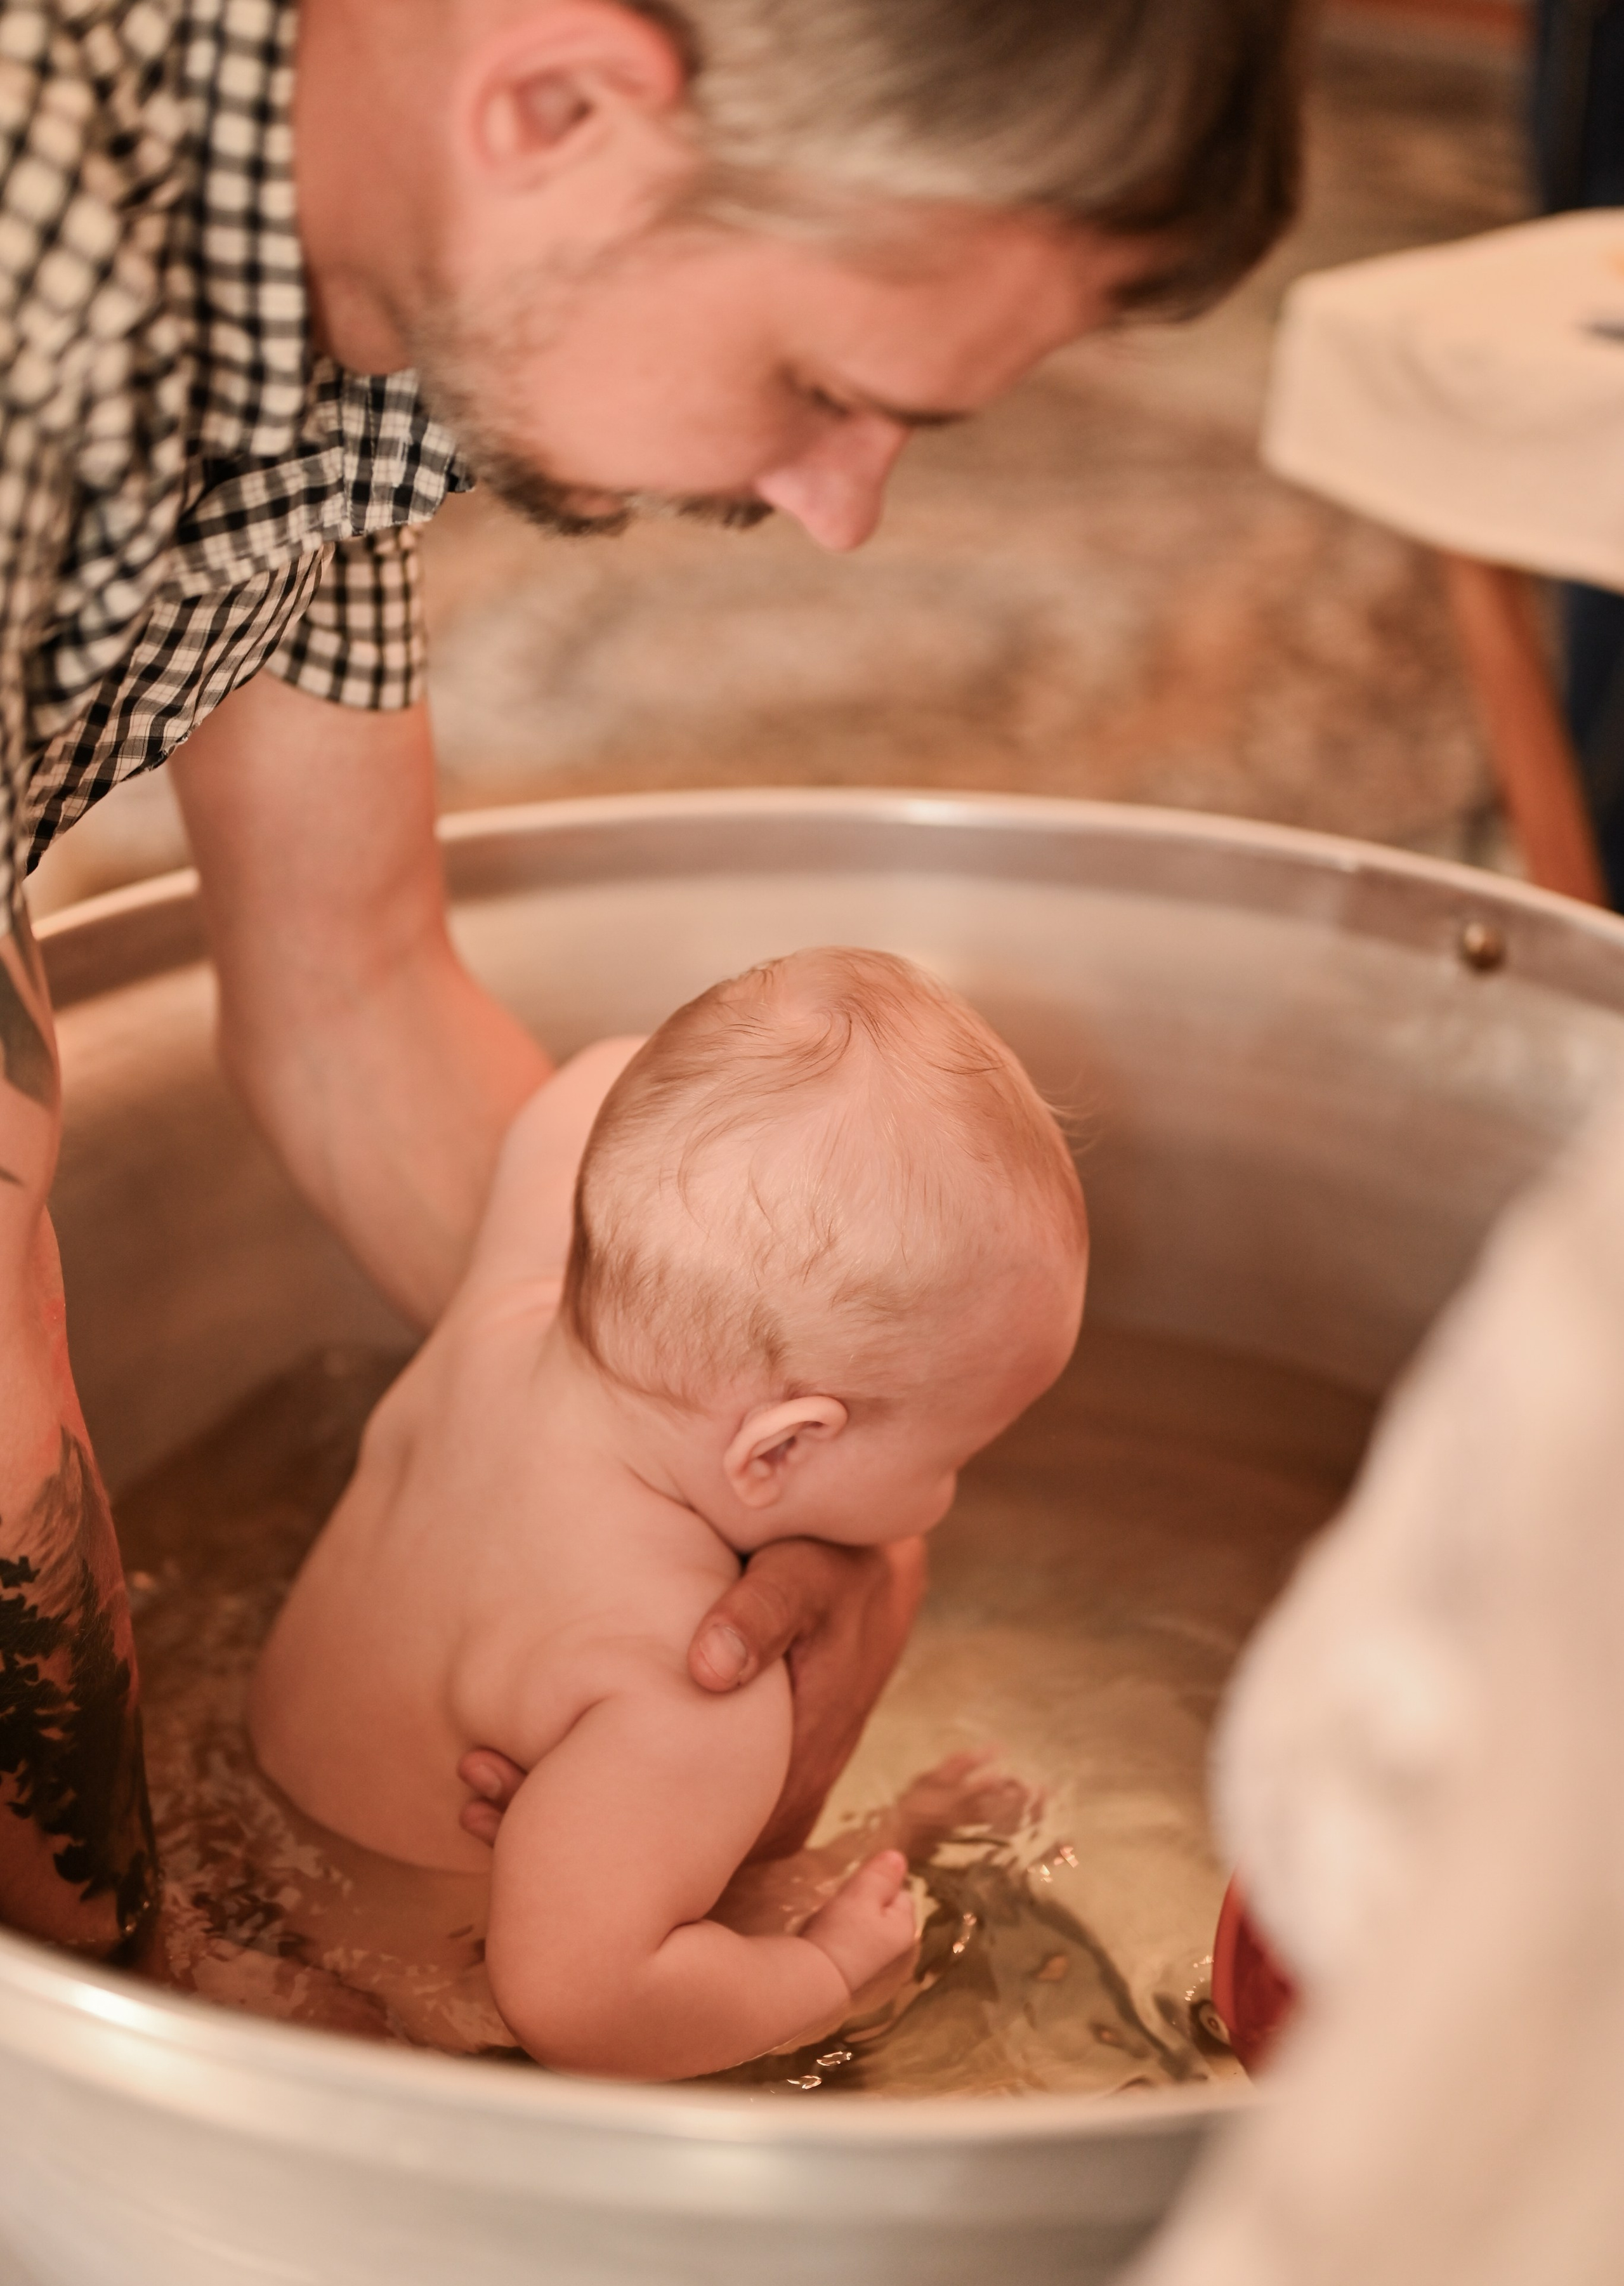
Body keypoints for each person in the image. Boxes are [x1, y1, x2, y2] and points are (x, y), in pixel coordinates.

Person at [0, 0, 1301, 1961]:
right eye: (818, 384)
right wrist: (174, 1989)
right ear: (565, 102)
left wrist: (750, 1498)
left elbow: (351, 984)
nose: (843, 505)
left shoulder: (353, 304)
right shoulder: (39, 291)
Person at [246, 950, 1088, 2077]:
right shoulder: (683, 1681)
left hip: (249, 1839)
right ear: (782, 1448)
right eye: (956, 1456)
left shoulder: (512, 1292)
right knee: (821, 1940)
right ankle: (884, 1866)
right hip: (417, 2006)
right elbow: (579, 2008)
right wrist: (826, 1978)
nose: (947, 1496)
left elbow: (595, 1085)